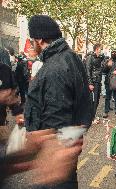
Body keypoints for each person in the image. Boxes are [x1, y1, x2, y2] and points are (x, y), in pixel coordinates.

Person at [24, 15, 92, 188]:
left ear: (39, 40)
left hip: (56, 155)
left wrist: (51, 150)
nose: (31, 45)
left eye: (31, 40)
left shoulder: (55, 67)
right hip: (67, 146)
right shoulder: (71, 57)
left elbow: (57, 118)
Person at [85, 43, 105, 121]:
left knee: (96, 100)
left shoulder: (100, 58)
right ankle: (90, 117)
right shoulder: (90, 57)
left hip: (98, 81)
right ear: (96, 49)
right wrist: (90, 83)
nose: (101, 51)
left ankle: (92, 116)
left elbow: (101, 69)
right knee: (92, 100)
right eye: (101, 49)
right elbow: (88, 70)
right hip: (93, 82)